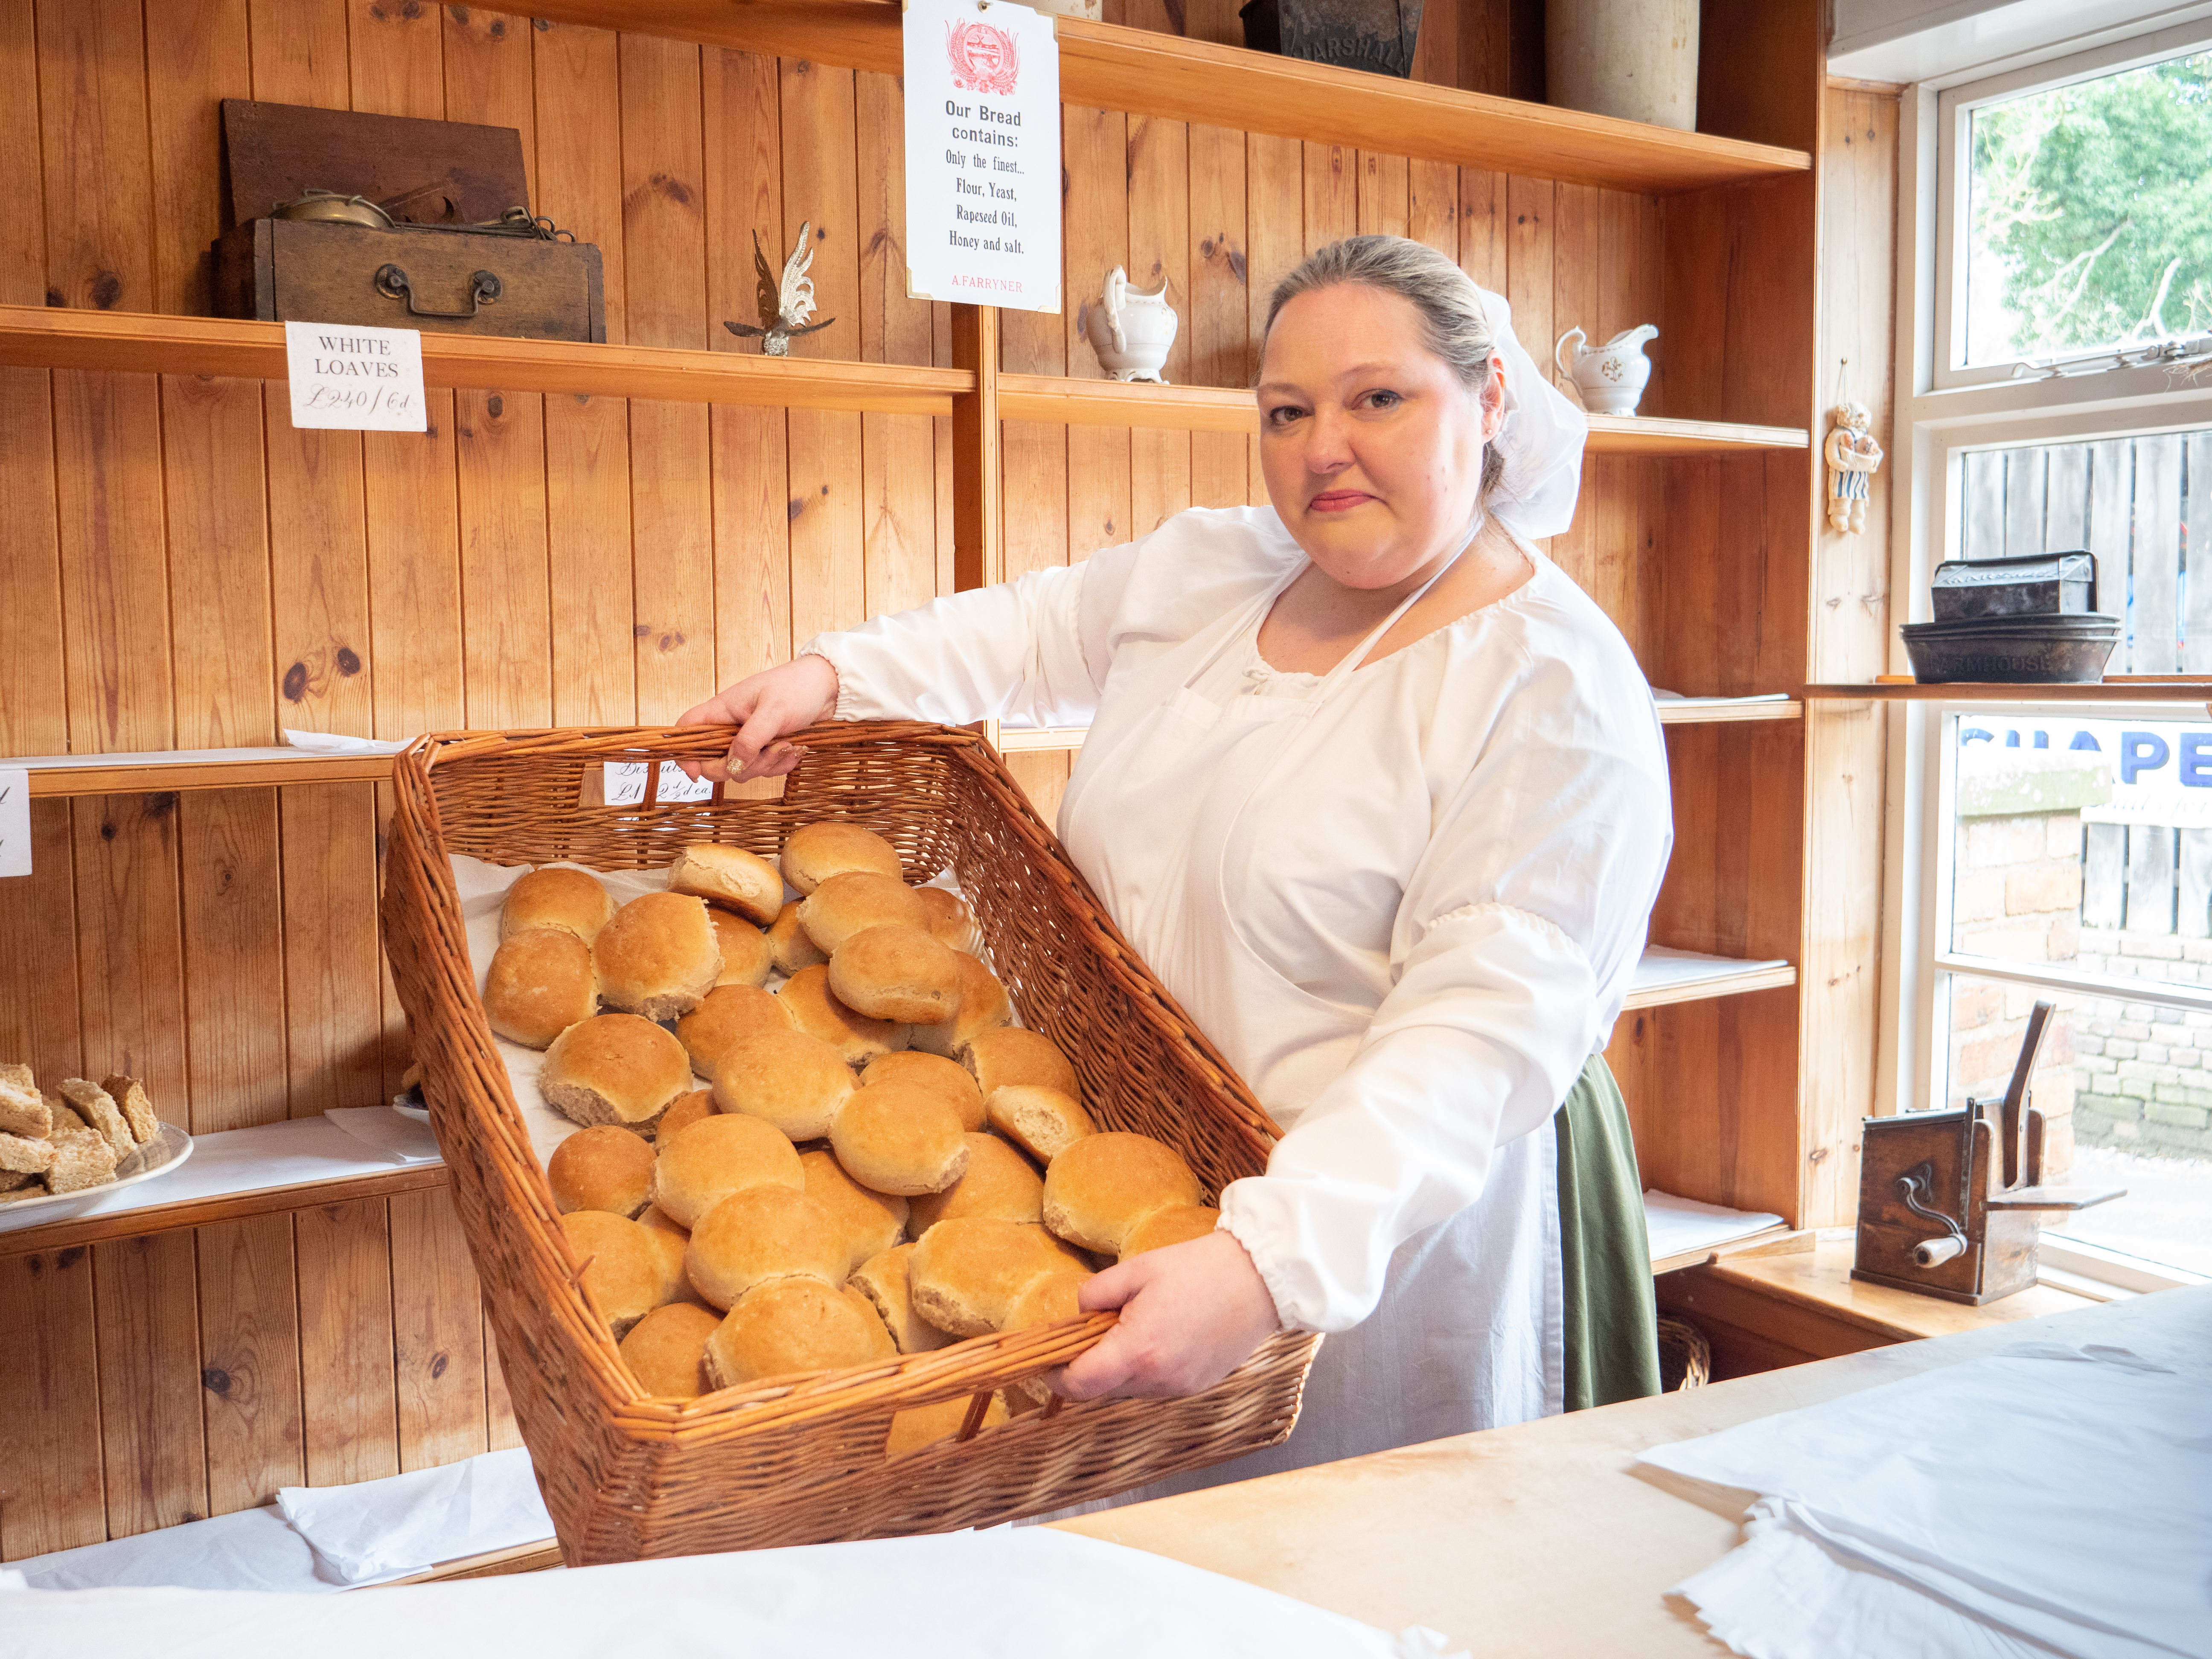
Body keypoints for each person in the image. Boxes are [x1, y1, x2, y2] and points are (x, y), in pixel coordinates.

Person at [678, 235, 1673, 1485]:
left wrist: (1269, 1265)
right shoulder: (1223, 570)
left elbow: (1476, 1038)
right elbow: (1031, 627)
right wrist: (835, 676)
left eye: (1378, 398)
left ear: (1490, 401)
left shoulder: (1550, 691)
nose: (1324, 448)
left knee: (1302, 1577)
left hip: (1352, 1249)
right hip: (1125, 1178)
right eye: (1286, 411)